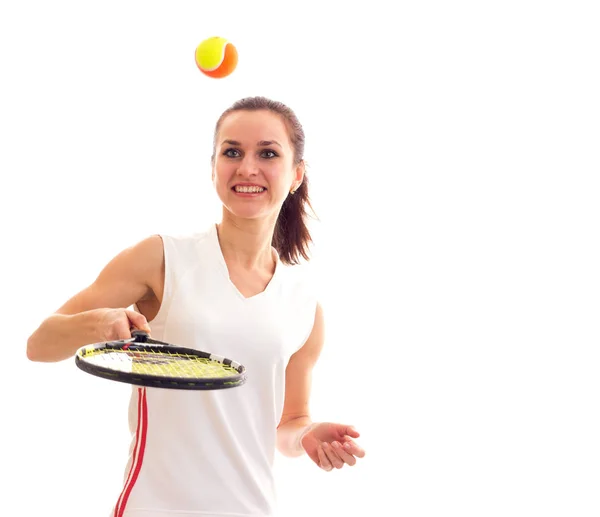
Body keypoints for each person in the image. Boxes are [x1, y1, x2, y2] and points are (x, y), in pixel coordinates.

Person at [27, 96, 365, 516]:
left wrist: (309, 435)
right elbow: (38, 344)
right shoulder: (161, 258)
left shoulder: (304, 305)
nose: (247, 168)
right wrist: (100, 323)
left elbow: (287, 424)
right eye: (232, 152)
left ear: (296, 175)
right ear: (212, 169)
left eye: (268, 153)